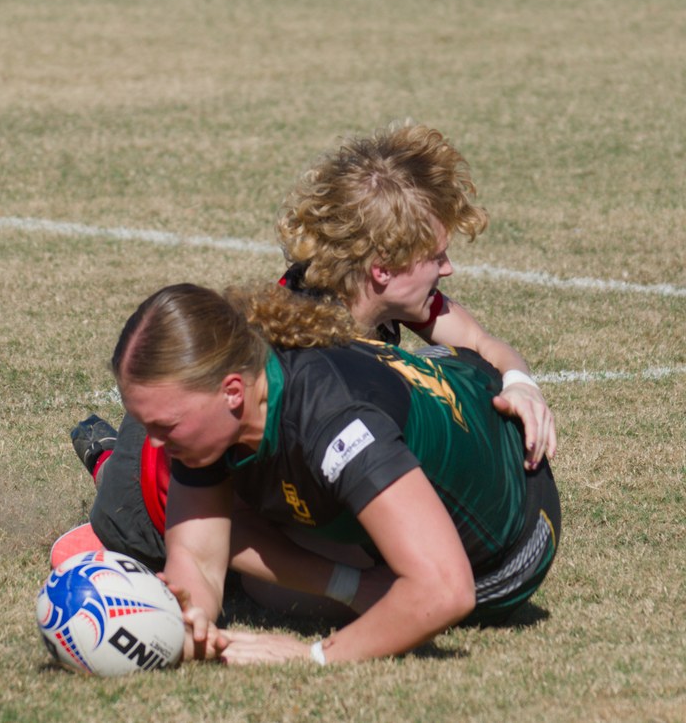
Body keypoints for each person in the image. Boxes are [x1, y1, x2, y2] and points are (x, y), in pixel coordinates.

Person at [53, 121, 556, 576]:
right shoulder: (306, 349)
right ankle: (109, 475)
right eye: (436, 256)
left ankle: (109, 456)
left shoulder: (387, 297)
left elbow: (480, 344)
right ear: (383, 268)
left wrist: (521, 385)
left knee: (433, 376)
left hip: (208, 454)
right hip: (166, 491)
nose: (447, 269)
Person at [112, 282, 561, 664]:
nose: (152, 443)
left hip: (514, 536)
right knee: (259, 576)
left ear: (232, 392)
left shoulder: (335, 424)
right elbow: (196, 560)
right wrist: (183, 623)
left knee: (277, 589)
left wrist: (311, 657)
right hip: (431, 390)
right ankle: (360, 582)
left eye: (164, 426)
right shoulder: (233, 395)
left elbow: (446, 590)